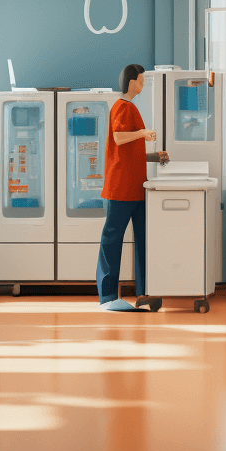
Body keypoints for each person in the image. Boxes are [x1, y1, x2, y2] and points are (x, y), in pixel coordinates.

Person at [97, 64, 168, 311]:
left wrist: (154, 155)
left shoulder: (130, 108)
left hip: (136, 188)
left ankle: (144, 293)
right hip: (121, 189)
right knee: (112, 240)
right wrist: (143, 132)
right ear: (132, 82)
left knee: (143, 240)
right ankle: (107, 297)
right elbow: (119, 138)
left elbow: (128, 150)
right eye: (142, 79)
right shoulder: (122, 107)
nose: (144, 84)